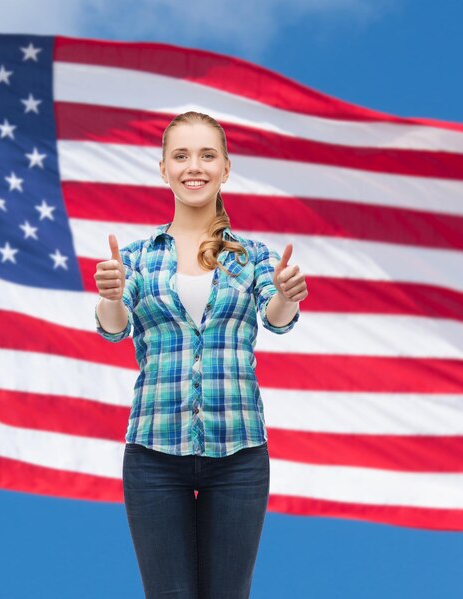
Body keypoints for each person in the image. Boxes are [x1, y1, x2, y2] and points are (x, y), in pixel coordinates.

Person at [94, 111, 307, 599]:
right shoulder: (136, 258)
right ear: (163, 168)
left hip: (238, 455)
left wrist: (287, 294)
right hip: (153, 454)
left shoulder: (251, 256)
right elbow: (114, 328)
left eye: (207, 155)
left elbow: (275, 317)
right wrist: (110, 295)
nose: (195, 166)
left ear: (226, 168)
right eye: (182, 155)